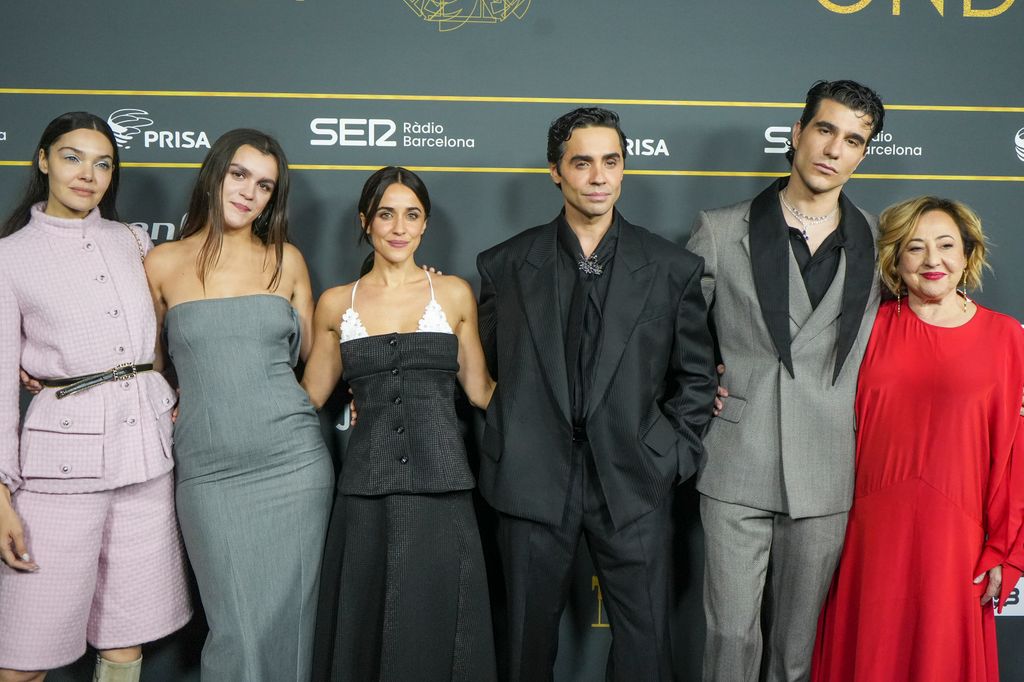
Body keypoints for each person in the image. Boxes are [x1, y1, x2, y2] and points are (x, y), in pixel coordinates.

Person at [477, 107, 717, 681]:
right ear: (555, 172)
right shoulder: (504, 266)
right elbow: (484, 369)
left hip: (633, 481)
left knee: (645, 648)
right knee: (524, 649)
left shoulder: (671, 268)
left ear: (624, 168)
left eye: (611, 161)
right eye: (581, 163)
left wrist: (669, 455)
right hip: (532, 482)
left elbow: (697, 377)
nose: (598, 176)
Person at [685, 79, 885, 681]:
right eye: (825, 130)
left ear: (862, 154)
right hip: (736, 460)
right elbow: (674, 338)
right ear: (797, 134)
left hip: (828, 470)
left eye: (853, 140)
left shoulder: (882, 240)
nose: (834, 149)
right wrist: (697, 388)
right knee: (729, 639)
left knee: (796, 653)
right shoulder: (721, 230)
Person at [0, 112, 191, 682]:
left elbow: (162, 335)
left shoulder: (133, 240)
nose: (88, 174)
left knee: (124, 640)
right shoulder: (9, 257)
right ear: (42, 160)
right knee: (25, 654)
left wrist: (168, 390)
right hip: (59, 468)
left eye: (103, 163)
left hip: (146, 458)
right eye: (72, 157)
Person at [143, 129, 333, 681]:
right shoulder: (161, 263)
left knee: (293, 626)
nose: (250, 192)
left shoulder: (287, 261)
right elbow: (147, 366)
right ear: (215, 174)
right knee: (235, 630)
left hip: (293, 464)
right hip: (209, 469)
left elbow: (318, 357)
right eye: (240, 174)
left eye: (266, 185)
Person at [811, 197, 1024, 682]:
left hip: (956, 540)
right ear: (895, 260)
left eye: (946, 245)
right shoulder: (868, 328)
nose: (933, 261)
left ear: (968, 254)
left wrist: (1006, 547)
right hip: (867, 535)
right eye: (915, 248)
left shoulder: (1006, 336)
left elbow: (1015, 453)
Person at [302, 166, 497, 682]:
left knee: (442, 633)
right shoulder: (336, 303)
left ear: (425, 224)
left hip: (445, 489)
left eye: (411, 215)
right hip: (365, 494)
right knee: (365, 634)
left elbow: (481, 391)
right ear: (365, 221)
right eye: (386, 214)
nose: (398, 227)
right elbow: (308, 400)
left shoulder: (453, 294)